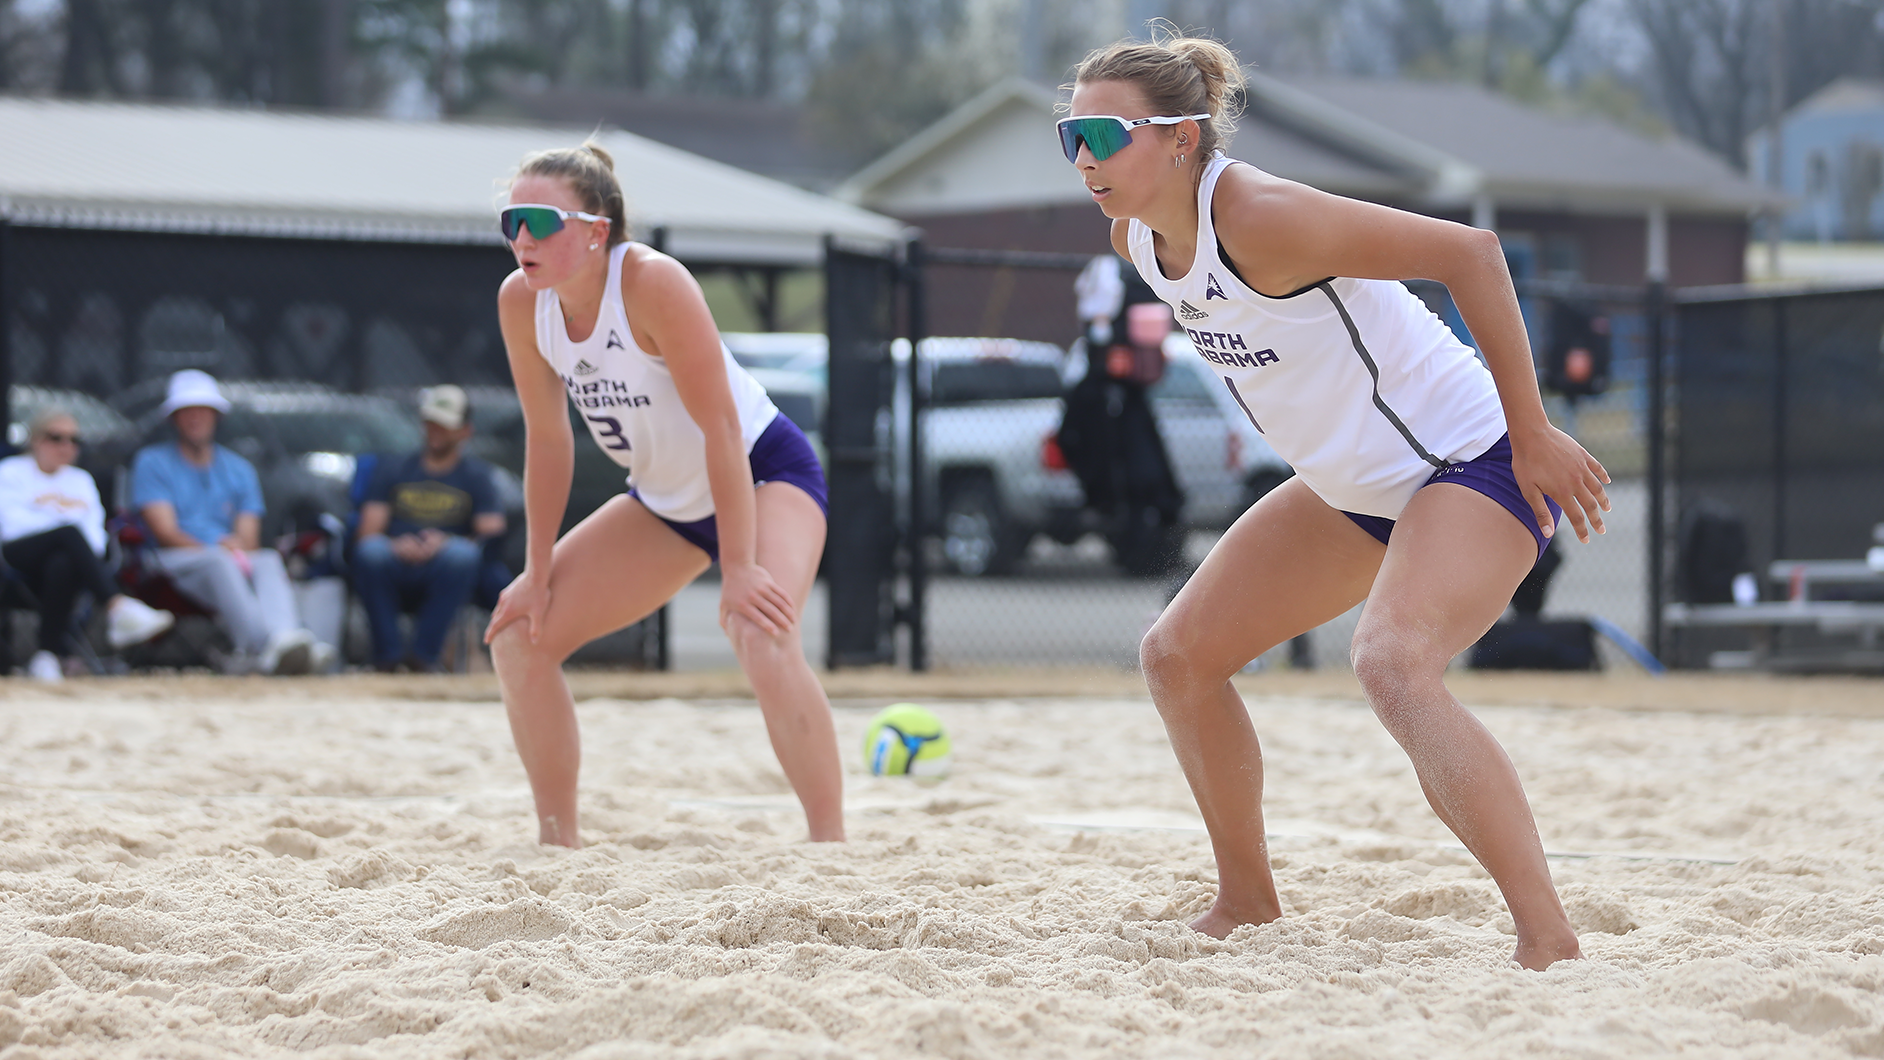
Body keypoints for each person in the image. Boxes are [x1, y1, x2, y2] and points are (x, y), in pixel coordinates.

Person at [1060, 34, 1608, 970]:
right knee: (1178, 657)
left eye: (1106, 133)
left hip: (1470, 462)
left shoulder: (1263, 216)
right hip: (1355, 490)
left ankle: (1548, 938)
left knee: (1392, 665)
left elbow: (1471, 253)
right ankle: (1247, 902)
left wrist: (1533, 431)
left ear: (1184, 138)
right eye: (1069, 132)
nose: (1083, 156)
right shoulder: (1136, 240)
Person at [484, 142, 843, 848]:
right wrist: (534, 572)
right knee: (518, 638)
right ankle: (559, 846)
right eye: (511, 221)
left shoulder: (651, 282)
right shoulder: (522, 305)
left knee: (760, 632)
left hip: (762, 471)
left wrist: (739, 567)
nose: (522, 237)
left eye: (540, 220)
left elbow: (719, 426)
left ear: (596, 230)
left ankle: (829, 849)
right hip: (666, 501)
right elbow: (548, 443)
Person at [130, 370, 334, 676]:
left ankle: (284, 639)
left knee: (265, 559)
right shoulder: (152, 462)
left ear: (216, 416)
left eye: (202, 411)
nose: (195, 419)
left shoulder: (239, 469)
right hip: (173, 563)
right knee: (217, 560)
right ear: (174, 418)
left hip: (226, 560)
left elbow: (248, 538)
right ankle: (263, 647)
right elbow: (164, 532)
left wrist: (233, 548)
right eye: (187, 412)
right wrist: (219, 547)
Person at [0, 409, 175, 680]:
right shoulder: (11, 472)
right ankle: (117, 606)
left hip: (66, 564)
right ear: (35, 440)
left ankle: (46, 657)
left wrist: (64, 536)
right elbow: (13, 526)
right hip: (16, 556)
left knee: (63, 562)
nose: (66, 446)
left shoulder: (80, 480)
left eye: (74, 440)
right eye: (56, 438)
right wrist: (60, 528)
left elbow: (95, 536)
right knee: (68, 534)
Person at [353, 385, 507, 673]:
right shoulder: (393, 468)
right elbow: (368, 530)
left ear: (464, 431)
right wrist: (397, 544)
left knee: (462, 556)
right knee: (370, 551)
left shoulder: (476, 475)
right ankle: (387, 657)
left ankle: (424, 657)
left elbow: (491, 532)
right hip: (395, 559)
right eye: (431, 423)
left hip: (445, 567)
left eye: (445, 425)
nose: (435, 431)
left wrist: (446, 541)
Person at [1057, 255, 1187, 577]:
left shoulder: (1109, 390)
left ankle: (1141, 548)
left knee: (1139, 482)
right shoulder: (1102, 391)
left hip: (1134, 481)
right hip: (1128, 469)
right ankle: (1138, 546)